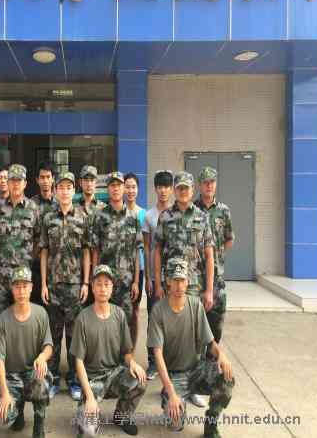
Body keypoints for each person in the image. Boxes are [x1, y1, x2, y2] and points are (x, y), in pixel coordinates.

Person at [147, 258, 235, 438]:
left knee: (226, 379)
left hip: (196, 369)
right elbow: (157, 355)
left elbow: (210, 342)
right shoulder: (158, 311)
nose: (179, 286)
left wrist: (222, 355)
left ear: (188, 281)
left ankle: (211, 425)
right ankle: (170, 395)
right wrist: (171, 391)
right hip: (175, 374)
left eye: (182, 280)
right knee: (175, 423)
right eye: (175, 280)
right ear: (168, 281)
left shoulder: (195, 305)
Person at [153, 171, 215, 408]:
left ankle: (193, 387)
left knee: (195, 339)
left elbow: (209, 255)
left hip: (194, 286)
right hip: (170, 286)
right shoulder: (165, 216)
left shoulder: (201, 217)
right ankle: (169, 383)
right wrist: (157, 282)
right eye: (179, 188)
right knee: (171, 337)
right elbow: (157, 251)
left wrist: (209, 290)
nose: (182, 191)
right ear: (175, 190)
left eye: (186, 188)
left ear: (192, 190)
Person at [70, 265, 147, 437]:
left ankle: (121, 416)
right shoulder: (83, 318)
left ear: (112, 288)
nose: (102, 288)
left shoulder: (119, 314)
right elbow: (78, 361)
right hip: (92, 380)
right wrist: (90, 397)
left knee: (140, 381)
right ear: (92, 287)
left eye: (107, 284)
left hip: (114, 374)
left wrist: (132, 363)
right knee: (88, 433)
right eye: (98, 284)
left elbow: (126, 351)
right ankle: (87, 411)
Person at [0, 164, 40, 397]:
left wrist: (24, 263)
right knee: (1, 325)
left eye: (19, 180)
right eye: (12, 180)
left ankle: (26, 375)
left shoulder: (34, 209)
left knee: (24, 325)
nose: (15, 184)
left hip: (23, 282)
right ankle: (0, 379)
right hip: (1, 279)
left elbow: (39, 242)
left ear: (25, 183)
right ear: (6, 183)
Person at [39, 172, 91, 401]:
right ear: (56, 190)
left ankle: (74, 379)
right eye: (61, 187)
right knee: (53, 334)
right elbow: (44, 252)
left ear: (74, 190)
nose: (65, 191)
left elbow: (87, 252)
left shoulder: (82, 217)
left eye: (69, 187)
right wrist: (43, 283)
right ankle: (51, 379)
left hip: (75, 286)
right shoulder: (48, 218)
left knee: (73, 336)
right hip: (53, 285)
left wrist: (86, 282)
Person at [0, 266, 53, 438]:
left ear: (31, 287)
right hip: (12, 376)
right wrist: (5, 394)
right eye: (17, 286)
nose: (21, 291)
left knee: (41, 382)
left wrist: (42, 357)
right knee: (3, 418)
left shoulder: (40, 313)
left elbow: (48, 345)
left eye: (25, 286)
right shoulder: (3, 319)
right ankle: (17, 412)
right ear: (12, 289)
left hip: (33, 373)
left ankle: (39, 423)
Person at [92, 171, 142, 346]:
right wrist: (94, 279)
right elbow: (95, 250)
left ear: (123, 188)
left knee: (126, 323)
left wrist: (136, 282)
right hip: (105, 283)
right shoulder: (100, 216)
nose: (115, 189)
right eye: (112, 185)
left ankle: (126, 358)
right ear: (108, 189)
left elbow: (137, 251)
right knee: (104, 323)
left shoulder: (133, 217)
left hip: (126, 283)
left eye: (119, 185)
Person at [194, 167, 235, 344]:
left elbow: (229, 239)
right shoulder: (192, 209)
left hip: (216, 274)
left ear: (216, 184)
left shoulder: (223, 211)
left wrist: (218, 254)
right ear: (200, 185)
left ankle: (213, 355)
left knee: (216, 319)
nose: (209, 186)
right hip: (196, 274)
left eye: (212, 182)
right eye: (205, 182)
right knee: (195, 321)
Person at [142, 170, 174, 380]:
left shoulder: (175, 214)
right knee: (154, 320)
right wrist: (148, 278)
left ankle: (171, 362)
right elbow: (147, 248)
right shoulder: (149, 216)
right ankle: (153, 363)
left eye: (166, 187)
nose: (163, 191)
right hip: (155, 278)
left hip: (173, 278)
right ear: (155, 189)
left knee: (172, 320)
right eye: (160, 187)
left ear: (171, 189)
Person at [123, 172, 146, 354]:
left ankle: (131, 350)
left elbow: (146, 246)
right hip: (121, 268)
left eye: (133, 187)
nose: (130, 190)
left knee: (134, 311)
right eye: (127, 186)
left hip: (139, 269)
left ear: (138, 189)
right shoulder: (118, 212)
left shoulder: (143, 214)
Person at [31, 161, 57, 305]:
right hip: (35, 264)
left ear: (53, 179)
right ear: (37, 180)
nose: (45, 181)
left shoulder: (60, 203)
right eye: (42, 177)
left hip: (55, 265)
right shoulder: (31, 204)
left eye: (48, 177)